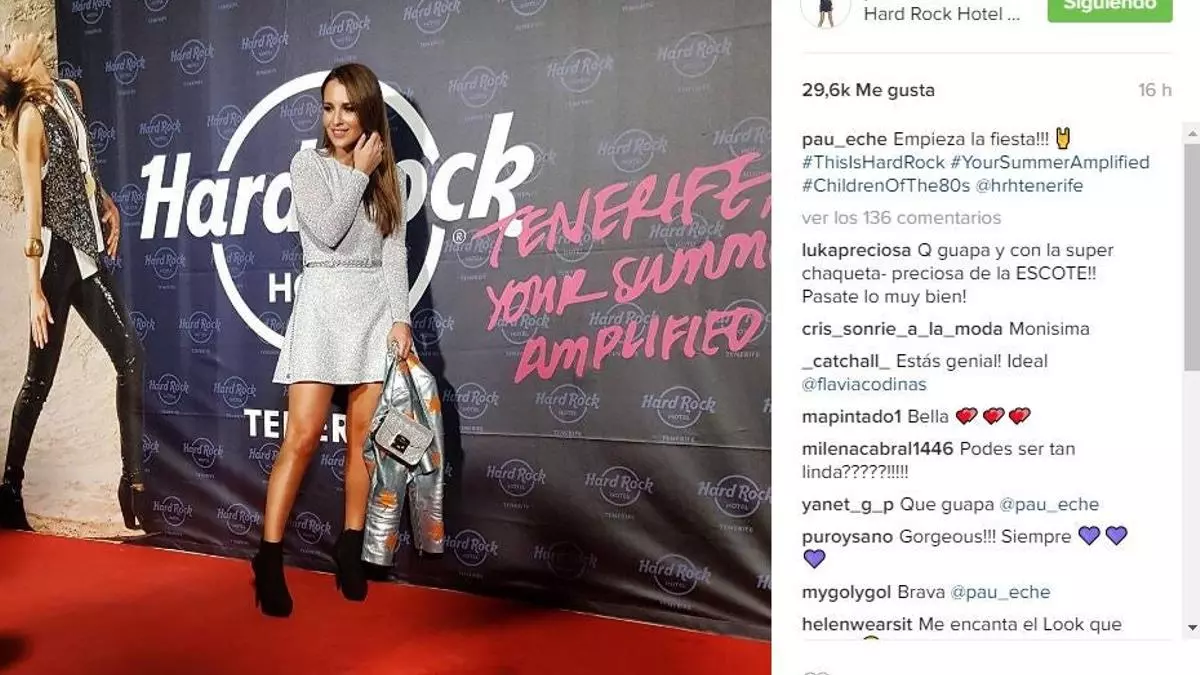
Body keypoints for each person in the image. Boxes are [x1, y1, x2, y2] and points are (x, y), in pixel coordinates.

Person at [252, 62, 413, 618]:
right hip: (321, 309)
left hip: (373, 315)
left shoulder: (389, 176)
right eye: (328, 108)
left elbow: (394, 253)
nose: (337, 119)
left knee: (364, 442)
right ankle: (268, 558)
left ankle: (351, 546)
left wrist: (401, 320)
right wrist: (358, 174)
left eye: (348, 107)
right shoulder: (307, 165)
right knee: (300, 437)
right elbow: (326, 231)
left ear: (367, 111)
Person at [0, 34, 147, 532]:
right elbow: (33, 211)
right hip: (56, 259)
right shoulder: (30, 120)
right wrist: (34, 292)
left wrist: (105, 201)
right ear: (17, 72)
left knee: (131, 356)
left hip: (85, 250)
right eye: (8, 48)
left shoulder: (70, 91)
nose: (15, 40)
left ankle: (133, 484)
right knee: (38, 381)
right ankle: (10, 490)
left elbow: (83, 165)